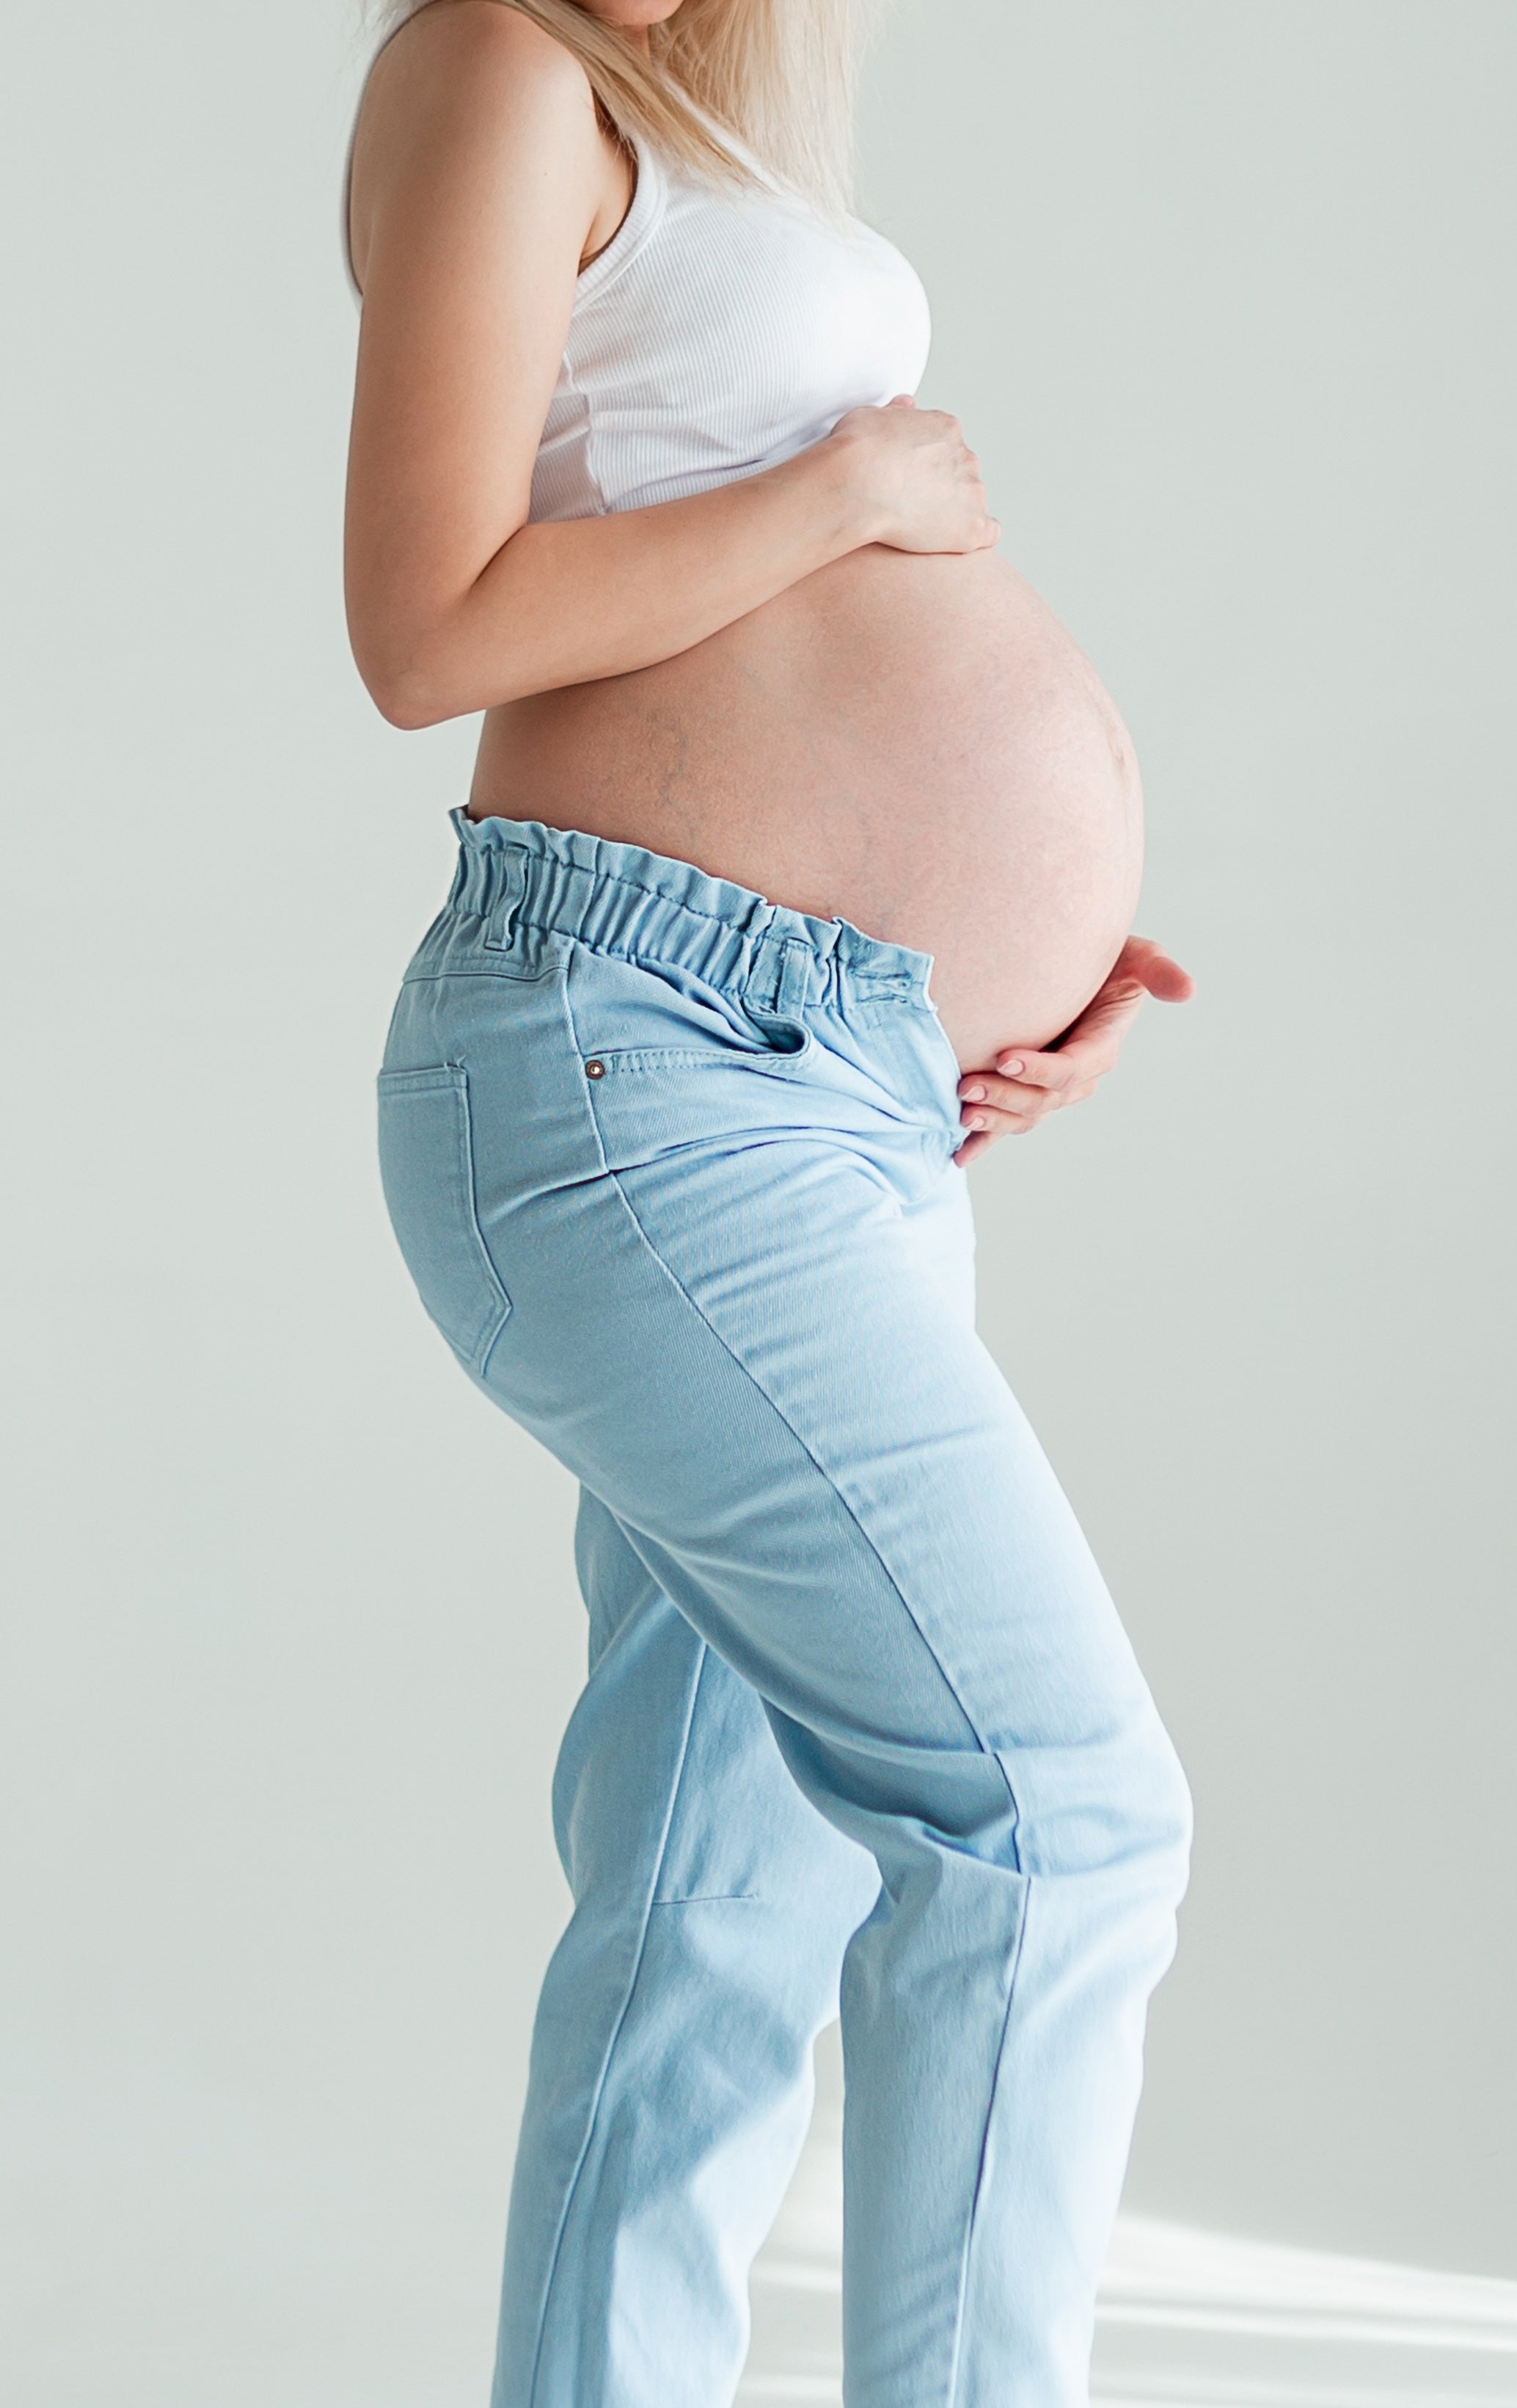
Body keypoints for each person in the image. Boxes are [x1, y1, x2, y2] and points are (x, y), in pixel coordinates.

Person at [343, 3, 1196, 2403]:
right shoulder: (501, 64)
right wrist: (844, 499)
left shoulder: (689, 118)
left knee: (715, 1908)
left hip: (829, 1081)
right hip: (639, 1066)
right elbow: (426, 622)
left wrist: (1008, 963)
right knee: (1058, 1818)